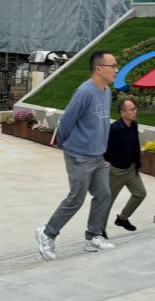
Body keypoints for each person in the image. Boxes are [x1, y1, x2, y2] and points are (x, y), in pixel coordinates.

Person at [35, 50, 116, 261]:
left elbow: (101, 125)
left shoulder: (106, 91)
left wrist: (104, 151)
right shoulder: (84, 92)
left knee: (104, 194)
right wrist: (66, 146)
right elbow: (66, 121)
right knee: (76, 199)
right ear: (99, 69)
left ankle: (93, 236)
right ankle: (47, 233)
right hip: (79, 156)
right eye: (113, 66)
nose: (116, 70)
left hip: (98, 156)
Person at [103, 99, 146, 232]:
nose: (135, 111)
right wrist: (105, 160)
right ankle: (99, 231)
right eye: (132, 109)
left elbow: (135, 144)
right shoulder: (114, 128)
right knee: (107, 202)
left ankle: (122, 218)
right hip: (116, 171)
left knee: (140, 194)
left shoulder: (134, 125)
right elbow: (104, 145)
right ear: (122, 112)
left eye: (135, 108)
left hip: (131, 169)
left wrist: (137, 162)